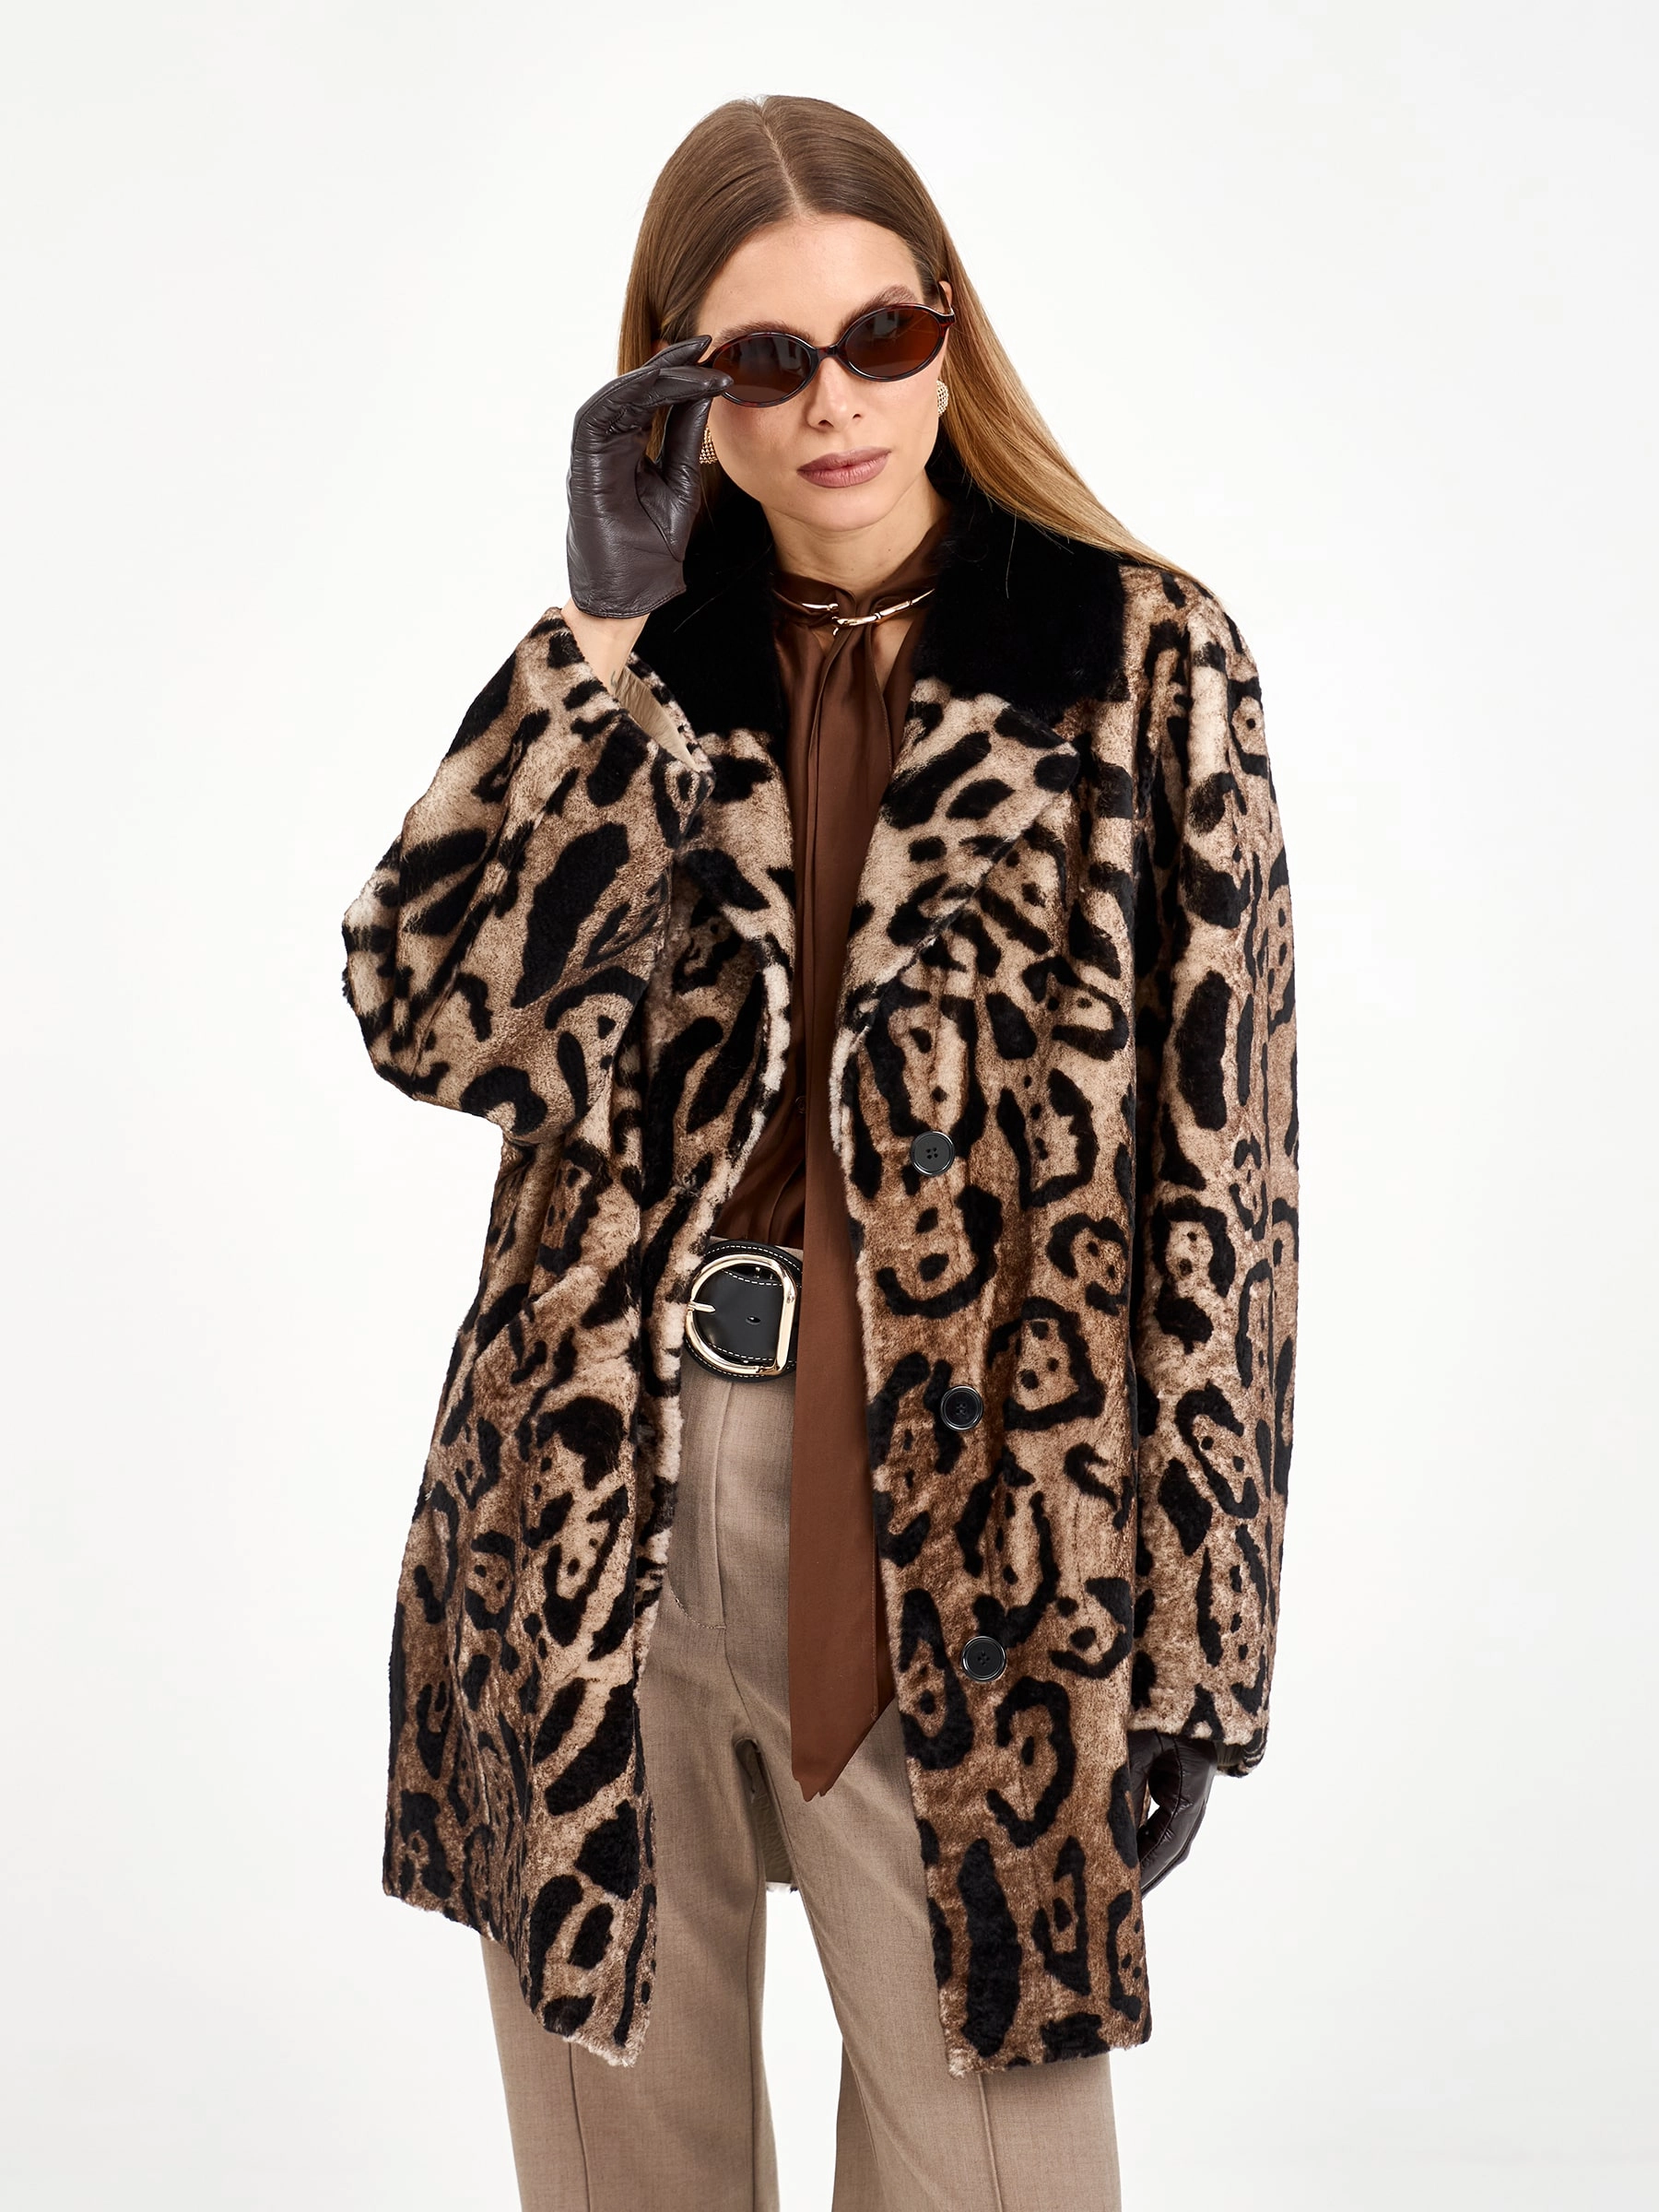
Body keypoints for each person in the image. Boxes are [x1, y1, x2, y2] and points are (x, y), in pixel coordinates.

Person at [342, 92, 1299, 2212]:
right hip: (596, 1509)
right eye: (765, 362)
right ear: (681, 391)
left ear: (951, 327)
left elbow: (1222, 1186)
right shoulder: (641, 675)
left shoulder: (1141, 659)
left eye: (884, 334)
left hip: (973, 1533)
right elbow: (430, 1016)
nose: (838, 403)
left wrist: (1198, 1645)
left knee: (1000, 2173)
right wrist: (598, 645)